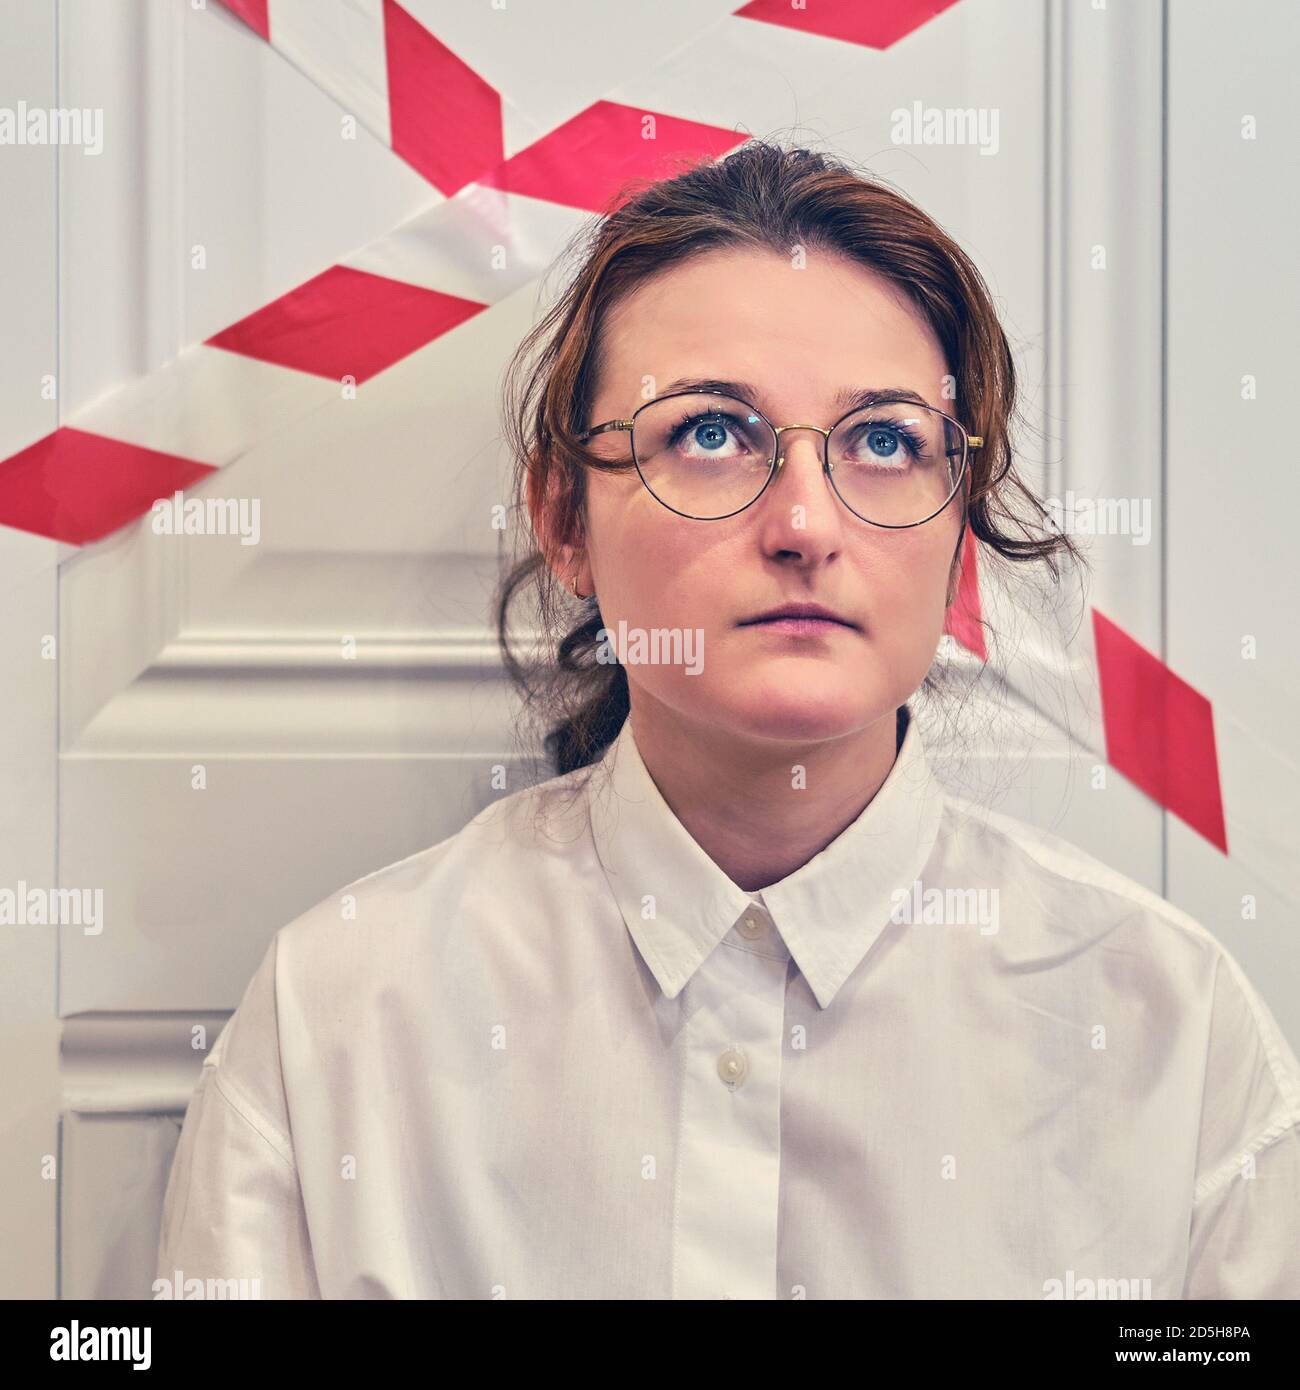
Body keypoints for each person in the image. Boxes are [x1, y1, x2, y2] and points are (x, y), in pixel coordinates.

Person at [155, 139, 1300, 1299]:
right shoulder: (339, 1015)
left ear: (957, 531)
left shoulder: (1171, 1035)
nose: (805, 522)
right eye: (710, 432)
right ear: (564, 518)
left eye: (886, 441)